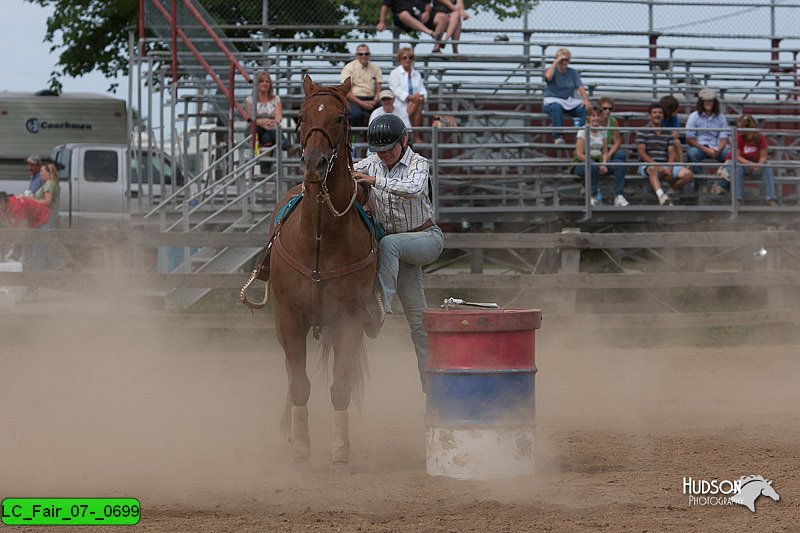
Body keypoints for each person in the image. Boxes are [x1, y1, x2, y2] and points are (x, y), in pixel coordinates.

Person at [353, 114, 444, 392]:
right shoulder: (370, 163)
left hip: (426, 237)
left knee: (389, 245)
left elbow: (414, 189)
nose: (385, 154)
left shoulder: (418, 163)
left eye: (389, 148)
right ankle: (433, 389)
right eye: (379, 150)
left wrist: (373, 181)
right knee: (419, 324)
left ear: (404, 141)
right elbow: (344, 172)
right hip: (397, 252)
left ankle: (379, 307)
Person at [636, 102, 693, 206]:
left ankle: (667, 194)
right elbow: (641, 152)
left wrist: (670, 169)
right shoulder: (642, 131)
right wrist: (658, 166)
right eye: (655, 112)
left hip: (665, 164)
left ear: (663, 115)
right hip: (647, 164)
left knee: (688, 174)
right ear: (650, 115)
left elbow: (671, 152)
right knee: (652, 168)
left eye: (660, 112)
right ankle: (661, 195)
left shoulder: (668, 132)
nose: (657, 115)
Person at [715, 114, 777, 206]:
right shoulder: (739, 137)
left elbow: (763, 156)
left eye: (741, 127)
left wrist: (759, 165)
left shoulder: (760, 137)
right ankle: (737, 200)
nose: (740, 129)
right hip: (742, 165)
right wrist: (749, 163)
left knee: (767, 166)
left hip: (755, 166)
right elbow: (737, 156)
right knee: (738, 167)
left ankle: (770, 198)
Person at [0, 191, 51, 301]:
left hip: (42, 220)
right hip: (31, 224)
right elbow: (8, 223)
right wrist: (13, 238)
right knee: (26, 257)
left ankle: (34, 289)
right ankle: (27, 286)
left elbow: (24, 229)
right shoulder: (3, 208)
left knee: (37, 256)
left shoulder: (16, 206)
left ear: (2, 202)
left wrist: (16, 241)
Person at [543, 48, 591, 144]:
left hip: (568, 100)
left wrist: (586, 100)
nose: (564, 62)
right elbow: (548, 77)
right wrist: (556, 62)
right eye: (562, 60)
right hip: (553, 100)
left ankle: (580, 136)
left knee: (583, 109)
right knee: (556, 107)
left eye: (567, 60)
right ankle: (558, 136)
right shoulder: (552, 70)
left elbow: (580, 86)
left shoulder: (573, 72)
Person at [685, 87, 730, 180]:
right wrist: (706, 150)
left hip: (716, 147)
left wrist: (718, 149)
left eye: (711, 101)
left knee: (731, 155)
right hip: (699, 147)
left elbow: (723, 137)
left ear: (714, 103)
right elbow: (690, 139)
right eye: (706, 101)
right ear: (701, 102)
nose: (708, 103)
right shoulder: (694, 116)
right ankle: (702, 182)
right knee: (692, 153)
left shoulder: (721, 117)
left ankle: (721, 185)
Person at [389, 48, 428, 144]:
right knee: (416, 103)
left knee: (417, 103)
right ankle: (416, 135)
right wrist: (411, 97)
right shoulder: (395, 73)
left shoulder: (417, 74)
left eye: (410, 57)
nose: (408, 60)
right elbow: (396, 89)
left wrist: (422, 97)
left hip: (414, 103)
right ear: (400, 59)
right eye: (404, 57)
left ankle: (402, 129)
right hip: (400, 104)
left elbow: (422, 89)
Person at [377, 0, 447, 53]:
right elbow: (385, 5)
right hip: (403, 19)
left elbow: (428, 4)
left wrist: (427, 12)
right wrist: (382, 22)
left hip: (420, 16)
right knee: (404, 14)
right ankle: (430, 33)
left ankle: (436, 48)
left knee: (442, 17)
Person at [572, 105, 608, 207]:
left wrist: (604, 163)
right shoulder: (583, 131)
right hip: (581, 162)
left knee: (619, 165)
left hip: (599, 160)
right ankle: (593, 195)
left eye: (598, 116)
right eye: (593, 116)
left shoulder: (603, 130)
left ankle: (619, 196)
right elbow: (579, 154)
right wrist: (595, 163)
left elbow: (605, 151)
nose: (596, 118)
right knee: (593, 167)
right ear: (588, 117)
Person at [340, 44, 383, 127]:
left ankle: (378, 136)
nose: (364, 56)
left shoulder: (376, 68)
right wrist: (362, 103)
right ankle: (358, 135)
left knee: (384, 112)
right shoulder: (349, 68)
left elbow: (378, 89)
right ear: (356, 55)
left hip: (372, 99)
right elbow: (346, 92)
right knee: (356, 115)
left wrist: (374, 101)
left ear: (369, 55)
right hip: (355, 99)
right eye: (361, 54)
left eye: (366, 54)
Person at [597, 96, 629, 206]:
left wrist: (609, 154)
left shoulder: (613, 121)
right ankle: (620, 190)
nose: (607, 111)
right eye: (604, 108)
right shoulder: (593, 120)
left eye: (610, 109)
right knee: (620, 159)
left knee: (620, 155)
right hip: (596, 150)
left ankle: (619, 193)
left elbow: (617, 141)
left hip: (607, 149)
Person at [243, 70, 283, 151]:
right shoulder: (250, 100)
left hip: (270, 127)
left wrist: (273, 123)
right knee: (257, 130)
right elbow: (250, 118)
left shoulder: (276, 99)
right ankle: (287, 146)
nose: (264, 83)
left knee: (267, 137)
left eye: (267, 81)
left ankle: (265, 160)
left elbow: (278, 116)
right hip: (255, 127)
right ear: (257, 84)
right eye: (261, 81)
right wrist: (262, 122)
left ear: (270, 84)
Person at [659, 94, 684, 162]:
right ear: (669, 110)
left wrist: (665, 134)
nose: (677, 111)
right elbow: (657, 134)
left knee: (676, 142)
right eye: (675, 109)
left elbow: (676, 135)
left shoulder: (673, 117)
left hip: (669, 141)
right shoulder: (658, 117)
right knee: (673, 145)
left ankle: (681, 165)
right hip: (657, 141)